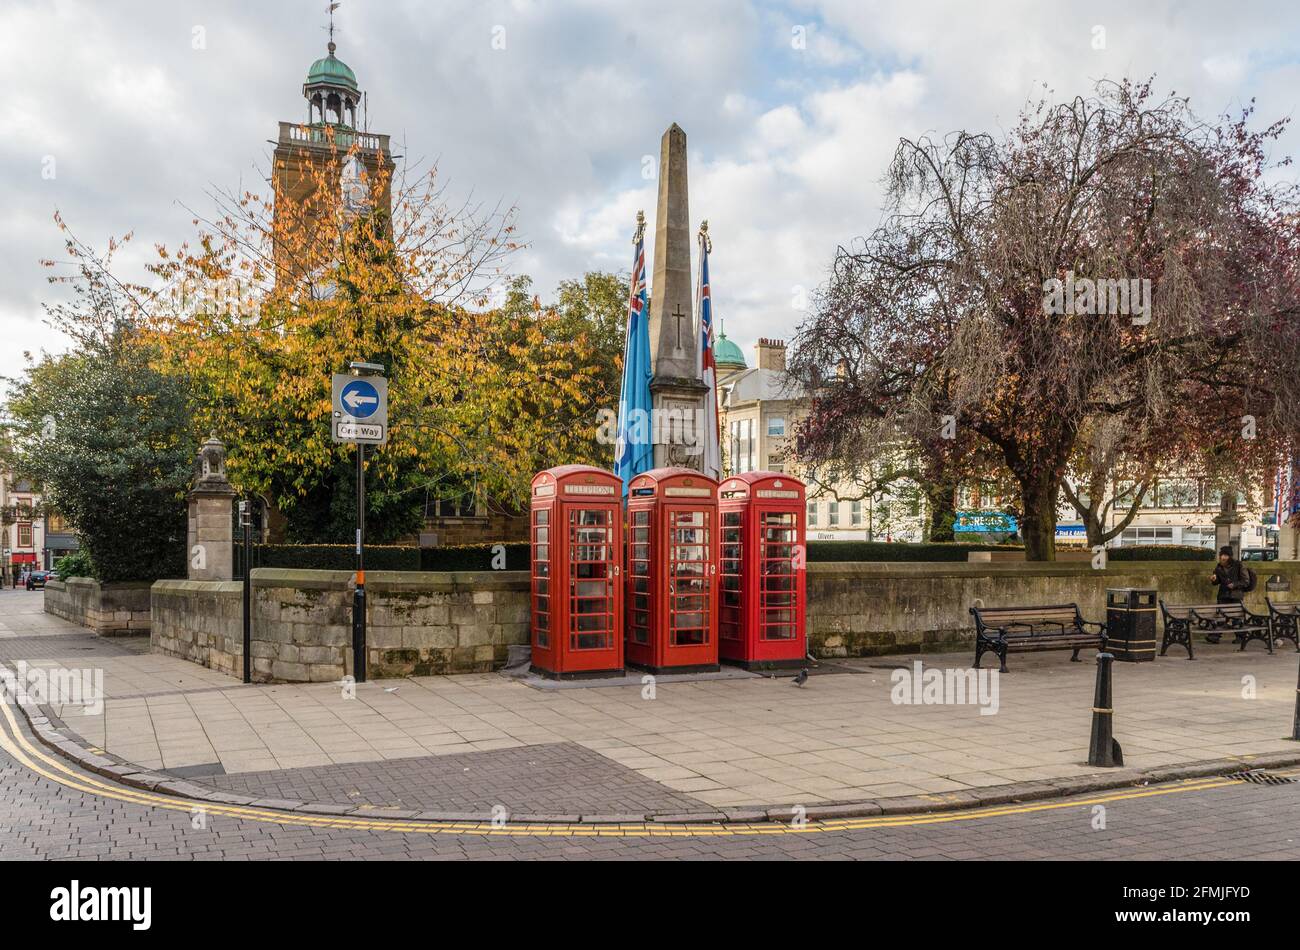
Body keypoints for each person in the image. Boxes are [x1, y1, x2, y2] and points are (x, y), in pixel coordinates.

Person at [1207, 545, 1250, 643]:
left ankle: (1241, 637)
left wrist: (1234, 584)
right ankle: (1215, 636)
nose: (1223, 557)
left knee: (1237, 617)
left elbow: (1246, 581)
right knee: (1220, 616)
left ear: (1230, 556)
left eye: (1225, 555)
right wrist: (1214, 579)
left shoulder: (1238, 565)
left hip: (1235, 595)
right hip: (1223, 595)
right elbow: (1216, 582)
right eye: (1222, 555)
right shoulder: (1218, 567)